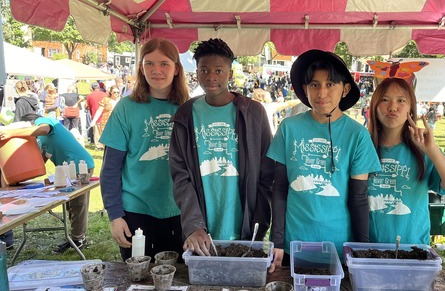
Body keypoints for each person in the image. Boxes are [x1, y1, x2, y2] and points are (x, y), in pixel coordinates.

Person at [266, 49, 380, 271]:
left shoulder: (357, 135)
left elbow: (358, 198)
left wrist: (362, 250)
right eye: (314, 85)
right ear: (305, 89)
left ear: (345, 89)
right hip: (294, 244)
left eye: (330, 84)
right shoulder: (289, 128)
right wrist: (277, 241)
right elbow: (279, 188)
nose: (321, 93)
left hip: (337, 247)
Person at [169, 38, 273, 256]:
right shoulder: (185, 116)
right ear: (196, 72)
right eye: (204, 70)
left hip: (245, 227)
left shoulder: (253, 113)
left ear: (230, 74)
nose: (211, 77)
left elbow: (267, 174)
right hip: (202, 233)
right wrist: (194, 225)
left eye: (218, 70)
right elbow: (181, 176)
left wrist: (259, 225)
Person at [100, 38, 189, 261]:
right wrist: (115, 216)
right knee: (139, 282)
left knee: (180, 279)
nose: (156, 70)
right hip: (135, 212)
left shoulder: (189, 109)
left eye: (164, 64)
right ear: (141, 68)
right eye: (149, 63)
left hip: (180, 211)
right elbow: (110, 168)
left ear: (176, 69)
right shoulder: (126, 108)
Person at [367, 78, 445, 245]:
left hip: (412, 252)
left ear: (411, 108)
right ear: (374, 106)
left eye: (401, 100)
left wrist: (432, 151)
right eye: (384, 100)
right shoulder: (362, 147)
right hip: (365, 252)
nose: (392, 107)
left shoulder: (422, 151)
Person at [0, 114, 95, 253]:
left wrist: (11, 132)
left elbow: (44, 129)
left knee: (78, 203)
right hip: (66, 171)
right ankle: (76, 237)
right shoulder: (41, 142)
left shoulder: (44, 122)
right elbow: (39, 165)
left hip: (81, 165)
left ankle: (78, 239)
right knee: (70, 204)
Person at [86, 82, 107, 149]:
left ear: (92, 88)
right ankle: (105, 145)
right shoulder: (105, 94)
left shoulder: (90, 96)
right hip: (105, 116)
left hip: (95, 115)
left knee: (97, 132)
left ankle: (99, 146)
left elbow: (88, 106)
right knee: (104, 131)